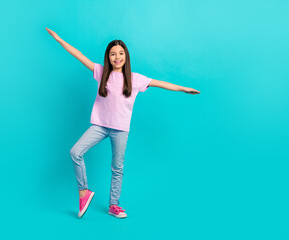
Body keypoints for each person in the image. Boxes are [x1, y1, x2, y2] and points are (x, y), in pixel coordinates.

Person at [45, 27, 200, 219]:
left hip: (120, 130)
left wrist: (183, 89)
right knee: (75, 152)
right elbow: (79, 55)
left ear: (125, 56)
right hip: (100, 126)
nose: (117, 57)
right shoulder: (101, 72)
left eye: (120, 53)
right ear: (108, 57)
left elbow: (161, 83)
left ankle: (114, 205)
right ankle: (83, 193)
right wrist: (60, 39)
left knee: (117, 167)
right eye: (112, 54)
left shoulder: (135, 79)